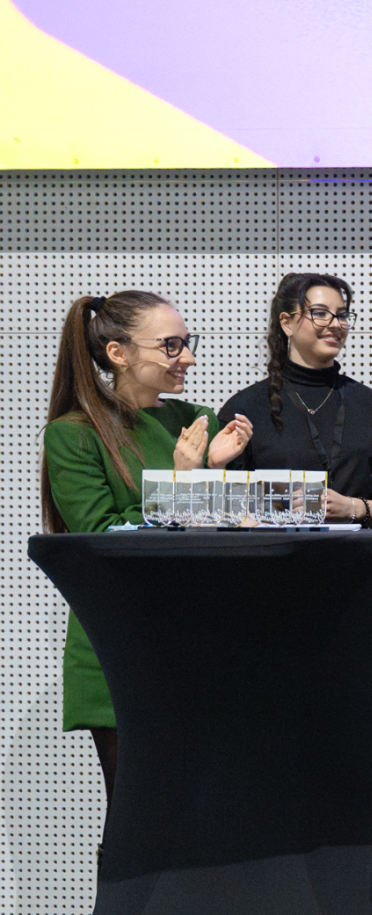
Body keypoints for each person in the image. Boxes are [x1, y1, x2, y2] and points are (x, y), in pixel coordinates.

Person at [41, 291, 252, 800]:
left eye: (187, 343)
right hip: (119, 642)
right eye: (171, 346)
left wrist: (215, 471)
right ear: (118, 353)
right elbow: (99, 535)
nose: (188, 358)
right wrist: (182, 484)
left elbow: (227, 527)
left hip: (200, 639)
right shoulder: (74, 435)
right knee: (136, 814)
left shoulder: (197, 419)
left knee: (206, 812)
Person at [219, 273, 372, 524]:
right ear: (287, 323)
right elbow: (221, 509)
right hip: (273, 547)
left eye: (342, 315)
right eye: (320, 313)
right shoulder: (245, 409)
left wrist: (353, 508)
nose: (335, 324)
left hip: (359, 548)